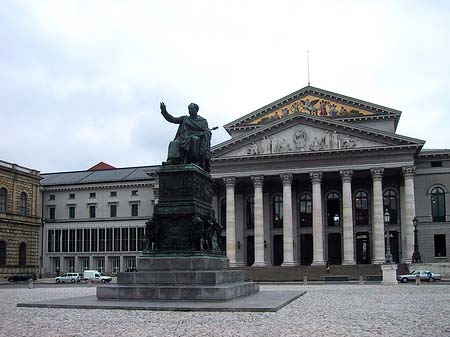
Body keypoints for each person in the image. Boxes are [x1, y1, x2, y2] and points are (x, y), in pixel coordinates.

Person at [160, 102, 212, 172]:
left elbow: (207, 132)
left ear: (196, 110)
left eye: (191, 109)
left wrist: (202, 134)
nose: (190, 110)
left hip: (195, 139)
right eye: (189, 109)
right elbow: (172, 119)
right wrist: (164, 111)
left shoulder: (202, 121)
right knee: (174, 142)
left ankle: (194, 161)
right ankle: (172, 160)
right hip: (184, 139)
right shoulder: (185, 119)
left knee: (195, 139)